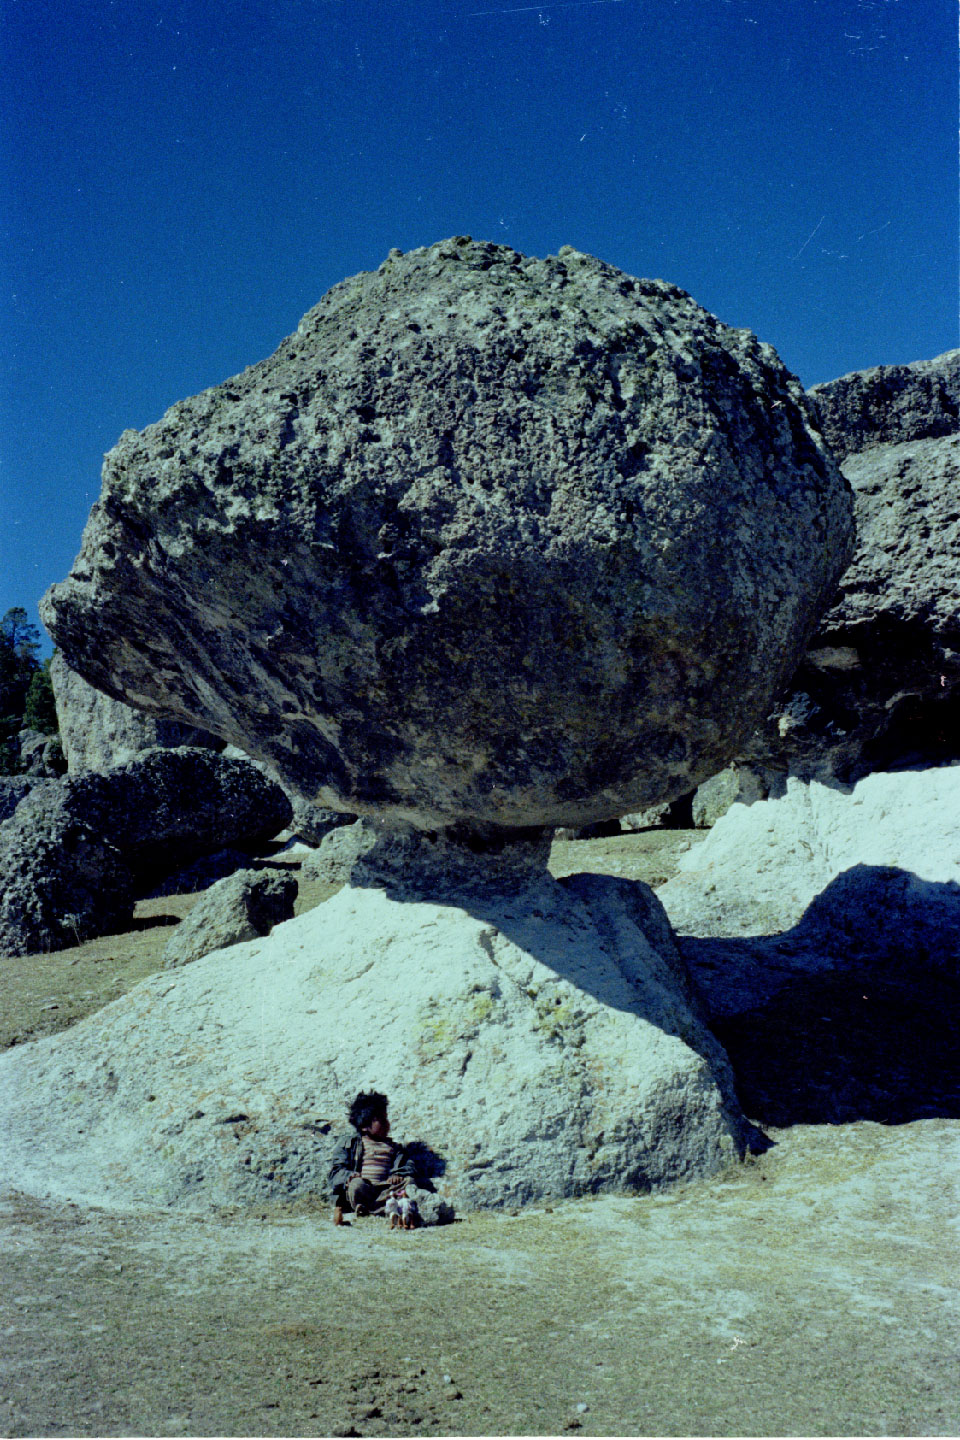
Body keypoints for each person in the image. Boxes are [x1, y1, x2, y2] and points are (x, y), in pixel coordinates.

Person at [328, 1090, 417, 1225]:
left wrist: (397, 1174)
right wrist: (349, 1176)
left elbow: (408, 1166)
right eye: (380, 1120)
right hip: (364, 1188)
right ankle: (379, 1208)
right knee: (356, 1185)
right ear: (364, 1126)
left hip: (385, 1188)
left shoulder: (394, 1147)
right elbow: (335, 1172)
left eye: (386, 1118)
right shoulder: (350, 1144)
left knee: (408, 1182)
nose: (386, 1123)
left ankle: (375, 1208)